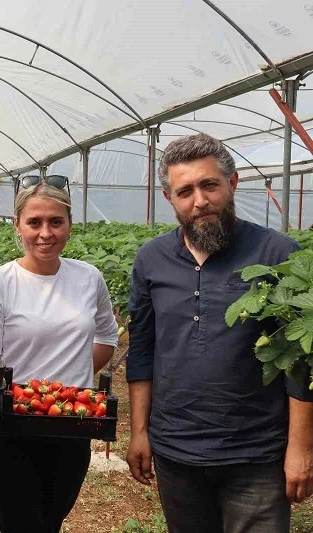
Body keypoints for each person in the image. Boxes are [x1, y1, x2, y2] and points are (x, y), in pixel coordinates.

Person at [126, 133, 313, 533]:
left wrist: (300, 447)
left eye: (209, 184)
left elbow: (301, 360)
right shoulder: (151, 259)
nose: (200, 201)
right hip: (175, 449)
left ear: (233, 183)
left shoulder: (277, 255)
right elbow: (142, 351)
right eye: (185, 191)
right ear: (169, 197)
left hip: (257, 454)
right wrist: (139, 432)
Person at [0, 179, 119, 533]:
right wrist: (33, 396)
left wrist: (72, 387)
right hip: (13, 426)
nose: (45, 233)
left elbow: (107, 334)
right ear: (17, 224)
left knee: (51, 520)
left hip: (74, 423)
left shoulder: (88, 277)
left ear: (69, 223)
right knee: (21, 524)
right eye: (34, 222)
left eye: (56, 222)